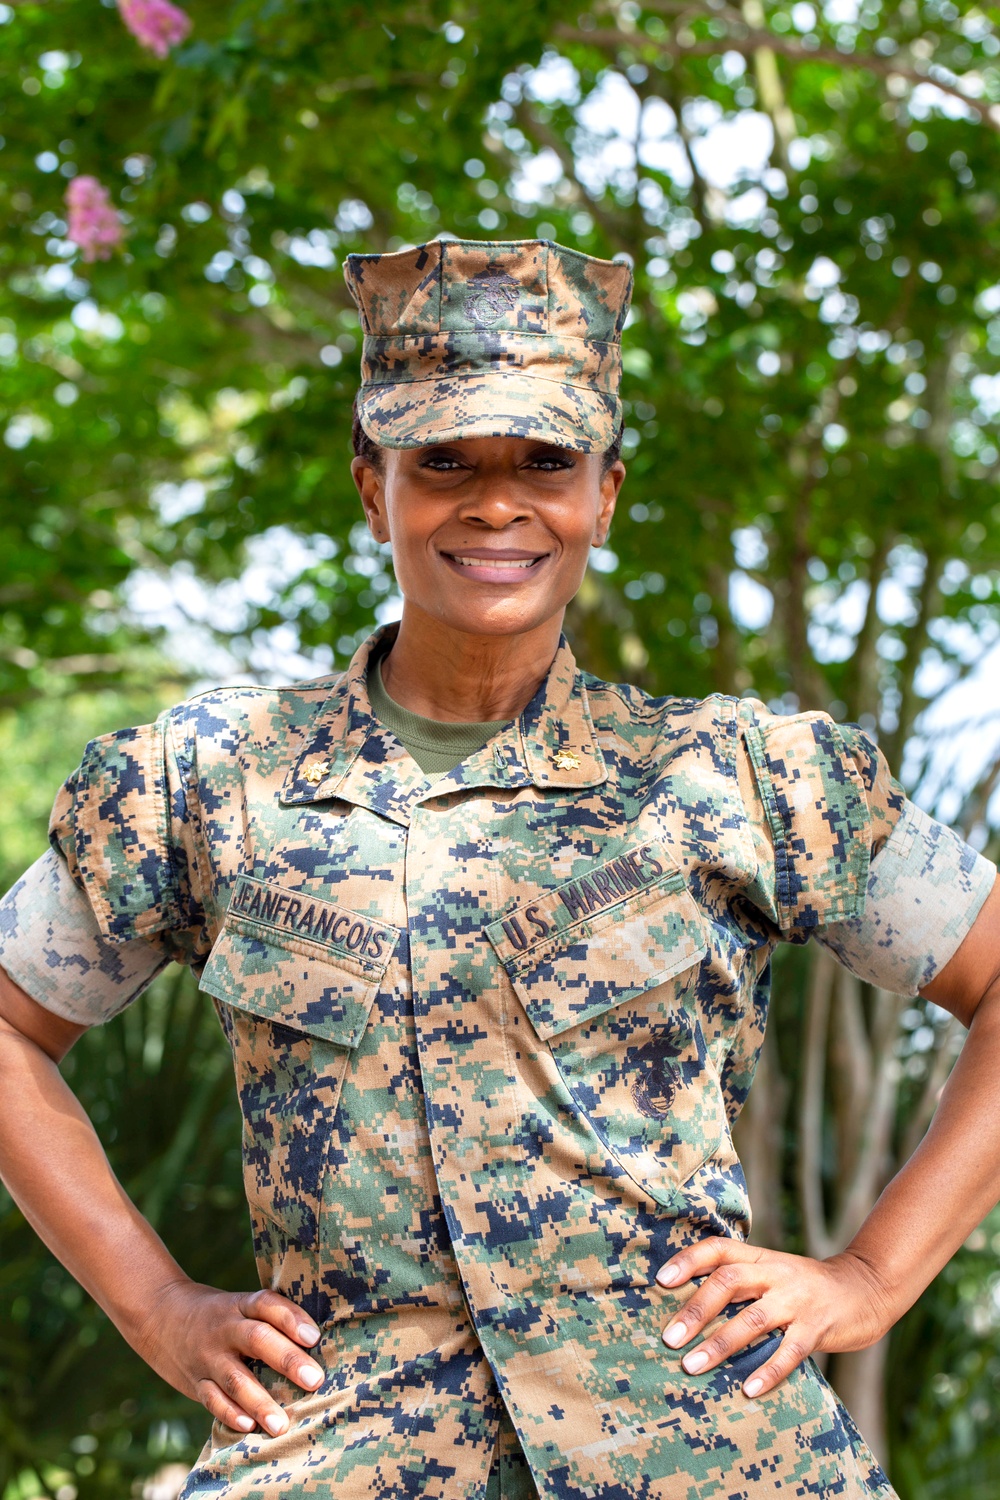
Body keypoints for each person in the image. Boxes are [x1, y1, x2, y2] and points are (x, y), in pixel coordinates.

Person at [0, 237, 998, 1500]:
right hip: (341, 1442)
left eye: (543, 462)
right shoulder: (208, 781)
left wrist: (868, 1279)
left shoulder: (740, 777)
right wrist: (158, 1309)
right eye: (444, 464)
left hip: (705, 1441)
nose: (494, 503)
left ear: (606, 492)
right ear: (374, 490)